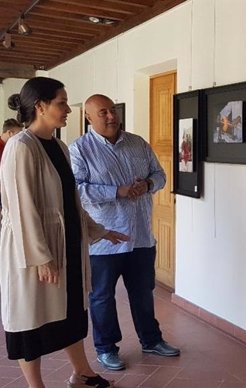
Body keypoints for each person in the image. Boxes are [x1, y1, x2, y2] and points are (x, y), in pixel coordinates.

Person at [0, 77, 129, 388]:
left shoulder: (58, 145)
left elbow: (70, 203)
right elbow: (21, 210)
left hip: (67, 245)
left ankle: (82, 375)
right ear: (40, 106)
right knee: (31, 321)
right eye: (61, 102)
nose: (67, 109)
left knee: (72, 313)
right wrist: (41, 257)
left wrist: (99, 231)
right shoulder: (21, 147)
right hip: (34, 252)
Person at [70, 94, 180, 372]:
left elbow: (161, 174)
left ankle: (151, 340)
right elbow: (77, 189)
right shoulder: (79, 150)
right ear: (88, 117)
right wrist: (115, 191)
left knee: (143, 293)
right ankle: (106, 348)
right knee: (102, 297)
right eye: (103, 112)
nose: (111, 116)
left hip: (141, 236)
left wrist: (149, 184)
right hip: (104, 240)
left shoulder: (138, 143)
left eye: (113, 111)